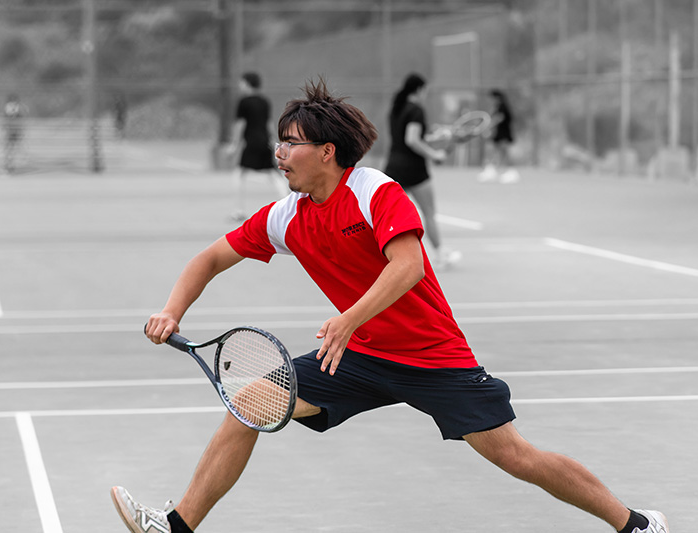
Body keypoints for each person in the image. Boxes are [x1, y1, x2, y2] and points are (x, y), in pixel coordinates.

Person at [111, 79, 669, 533]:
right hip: (356, 356)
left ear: (326, 152)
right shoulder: (286, 216)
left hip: (431, 356)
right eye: (278, 142)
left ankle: (637, 525)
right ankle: (176, 527)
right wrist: (172, 310)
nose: (280, 153)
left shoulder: (374, 191)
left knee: (514, 456)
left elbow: (410, 267)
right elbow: (210, 258)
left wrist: (350, 317)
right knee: (251, 403)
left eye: (292, 143)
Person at [384, 73, 461, 270]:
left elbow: (411, 138)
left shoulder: (396, 108)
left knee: (385, 216)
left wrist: (436, 138)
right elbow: (412, 140)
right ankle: (440, 255)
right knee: (429, 213)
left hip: (393, 166)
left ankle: (375, 256)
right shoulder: (416, 109)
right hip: (414, 170)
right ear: (419, 89)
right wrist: (434, 155)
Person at [225, 71, 287, 221]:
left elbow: (240, 124)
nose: (240, 85)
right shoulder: (264, 101)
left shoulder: (244, 102)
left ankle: (238, 211)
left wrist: (234, 145)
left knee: (239, 174)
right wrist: (272, 140)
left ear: (247, 84)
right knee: (274, 174)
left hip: (252, 143)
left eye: (242, 83)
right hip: (264, 141)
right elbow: (268, 123)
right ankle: (289, 206)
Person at [479, 88, 520, 184]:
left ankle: (511, 171)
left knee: (504, 151)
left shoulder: (502, 106)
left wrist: (488, 127)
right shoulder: (497, 106)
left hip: (503, 133)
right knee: (496, 151)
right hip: (498, 133)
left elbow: (499, 118)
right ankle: (493, 169)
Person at [2, 93, 25, 174]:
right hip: (14, 129)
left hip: (12, 129)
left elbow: (7, 117)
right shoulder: (17, 106)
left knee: (10, 149)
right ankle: (10, 166)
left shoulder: (10, 106)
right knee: (12, 149)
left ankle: (9, 166)